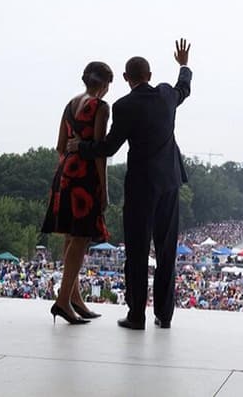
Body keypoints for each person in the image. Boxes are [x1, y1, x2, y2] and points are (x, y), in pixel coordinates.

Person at [70, 39, 192, 330]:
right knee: (166, 252)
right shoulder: (165, 95)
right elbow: (184, 88)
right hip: (170, 183)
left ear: (126, 79)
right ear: (149, 75)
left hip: (140, 187)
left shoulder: (124, 106)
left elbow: (109, 147)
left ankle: (136, 314)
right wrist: (184, 64)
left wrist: (80, 147)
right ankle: (164, 315)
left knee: (137, 253)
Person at [41, 61, 113, 325]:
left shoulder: (70, 104)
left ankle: (74, 298)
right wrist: (104, 189)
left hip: (65, 172)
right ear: (105, 84)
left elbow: (61, 145)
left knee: (71, 237)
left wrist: (70, 160)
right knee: (81, 238)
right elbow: (99, 152)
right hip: (85, 177)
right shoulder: (101, 107)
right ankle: (62, 301)